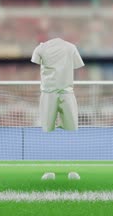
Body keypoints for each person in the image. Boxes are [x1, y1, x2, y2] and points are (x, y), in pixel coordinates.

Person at [31, 37, 84, 180]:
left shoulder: (71, 47)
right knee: (47, 131)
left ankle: (73, 169)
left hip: (66, 92)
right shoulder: (40, 48)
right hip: (48, 93)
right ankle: (48, 169)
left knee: (72, 132)